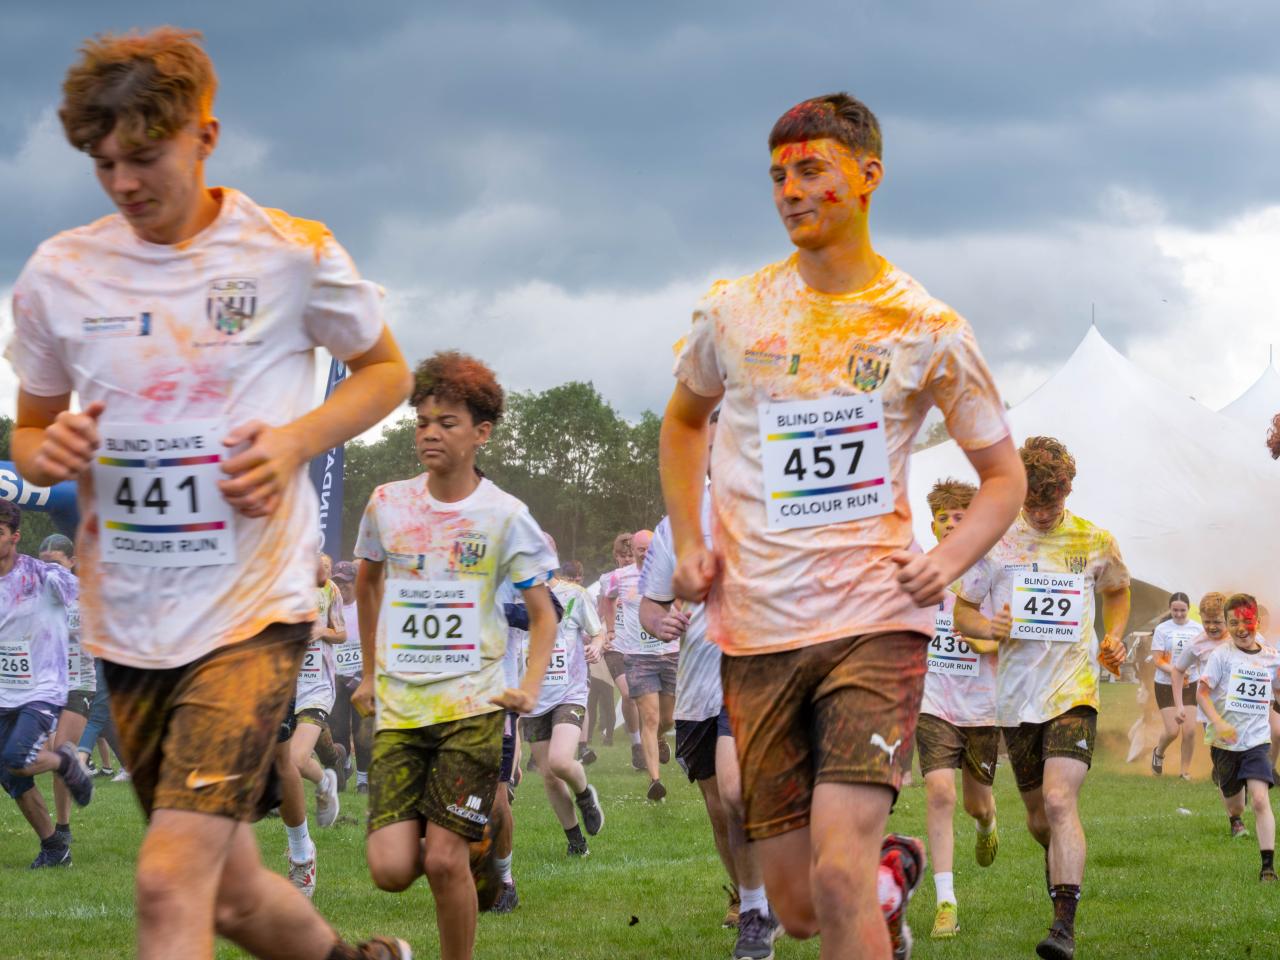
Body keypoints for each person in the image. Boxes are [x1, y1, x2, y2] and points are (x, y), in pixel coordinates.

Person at [7, 28, 412, 959]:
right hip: (128, 626)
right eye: (103, 164)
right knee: (225, 890)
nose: (124, 183)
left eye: (143, 157)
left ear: (204, 135)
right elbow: (31, 434)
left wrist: (297, 440)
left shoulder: (289, 254)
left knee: (163, 880)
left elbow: (384, 372)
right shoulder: (60, 276)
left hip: (251, 614)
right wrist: (46, 448)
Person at [659, 92, 1025, 960]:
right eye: (778, 175)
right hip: (757, 632)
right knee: (798, 905)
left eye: (812, 170)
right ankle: (891, 881)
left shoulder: (925, 325)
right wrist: (686, 540)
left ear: (868, 176)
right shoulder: (733, 311)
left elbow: (1002, 477)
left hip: (877, 621)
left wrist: (950, 555)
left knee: (833, 872)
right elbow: (682, 424)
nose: (790, 191)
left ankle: (867, 878)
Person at [352, 350, 559, 960]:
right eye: (422, 422)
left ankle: (468, 861)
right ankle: (479, 845)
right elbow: (366, 583)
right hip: (399, 709)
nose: (430, 433)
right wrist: (367, 673)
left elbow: (545, 614)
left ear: (481, 434)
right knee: (389, 869)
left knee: (443, 861)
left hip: (473, 705)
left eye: (446, 422)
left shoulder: (505, 516)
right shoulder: (387, 503)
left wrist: (529, 685)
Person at [955, 436, 1131, 960]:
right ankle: (1059, 868)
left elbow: (1117, 590)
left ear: (1068, 490)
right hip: (1015, 699)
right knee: (1039, 818)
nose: (1039, 513)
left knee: (1059, 800)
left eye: (1049, 503)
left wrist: (1114, 636)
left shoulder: (1095, 539)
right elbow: (964, 612)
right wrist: (992, 625)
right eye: (1031, 502)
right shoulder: (995, 541)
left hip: (1074, 689)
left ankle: (1063, 928)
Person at [915, 480, 1000, 940]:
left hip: (983, 706)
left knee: (974, 802)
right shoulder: (921, 570)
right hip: (933, 702)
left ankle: (988, 820)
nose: (951, 524)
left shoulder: (991, 571)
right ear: (933, 524)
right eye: (944, 517)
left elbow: (1007, 637)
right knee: (940, 793)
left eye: (960, 517)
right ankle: (946, 901)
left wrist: (982, 638)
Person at [0, 501, 94, 868]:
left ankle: (65, 762)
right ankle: (55, 848)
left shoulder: (43, 575)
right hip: (3, 690)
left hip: (43, 686)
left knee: (17, 758)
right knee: (11, 775)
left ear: (15, 537)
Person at [520, 557, 606, 856]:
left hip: (570, 691)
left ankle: (584, 794)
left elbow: (598, 631)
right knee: (548, 775)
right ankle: (576, 842)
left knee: (559, 761)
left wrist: (596, 645)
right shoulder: (511, 595)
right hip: (532, 697)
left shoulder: (574, 595)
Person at [1196, 593, 1280, 882]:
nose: (1241, 629)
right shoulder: (1222, 655)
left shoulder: (1271, 656)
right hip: (1225, 742)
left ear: (1257, 620)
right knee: (1237, 805)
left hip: (1257, 741)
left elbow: (1276, 690)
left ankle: (1267, 866)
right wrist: (1218, 723)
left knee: (1259, 800)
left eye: (1247, 621)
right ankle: (1234, 817)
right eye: (1234, 623)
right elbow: (1202, 693)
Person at [38, 533, 97, 849]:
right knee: (45, 754)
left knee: (61, 750)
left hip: (78, 682)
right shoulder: (31, 594)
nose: (49, 571)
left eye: (56, 564)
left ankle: (62, 827)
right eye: (44, 564)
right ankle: (78, 771)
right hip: (43, 685)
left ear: (72, 563)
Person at [609, 529, 678, 800]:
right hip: (638, 656)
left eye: (650, 548)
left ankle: (661, 738)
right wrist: (610, 629)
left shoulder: (669, 572)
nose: (645, 552)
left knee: (666, 719)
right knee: (649, 718)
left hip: (669, 653)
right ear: (634, 551)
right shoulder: (620, 577)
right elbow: (606, 598)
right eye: (640, 549)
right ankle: (655, 781)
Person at [1171, 592, 1244, 834]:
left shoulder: (1241, 638)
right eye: (1206, 622)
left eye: (1217, 622)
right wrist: (1180, 705)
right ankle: (1236, 821)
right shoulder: (1197, 643)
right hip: (1212, 716)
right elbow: (1178, 670)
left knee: (1244, 763)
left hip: (1245, 713)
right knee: (1228, 769)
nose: (1212, 627)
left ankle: (1229, 781)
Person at [287, 553, 345, 828]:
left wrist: (322, 632)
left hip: (317, 683)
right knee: (283, 763)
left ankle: (325, 783)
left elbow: (342, 633)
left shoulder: (329, 589)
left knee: (296, 758)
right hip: (286, 684)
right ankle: (323, 783)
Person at [598, 533, 643, 765]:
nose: (627, 559)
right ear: (615, 556)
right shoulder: (609, 579)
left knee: (642, 697)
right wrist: (595, 634)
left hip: (640, 645)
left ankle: (646, 740)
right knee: (628, 694)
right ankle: (637, 745)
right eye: (622, 556)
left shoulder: (643, 577)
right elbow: (598, 610)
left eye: (630, 555)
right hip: (615, 645)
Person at [330, 561, 372, 794]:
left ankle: (363, 780)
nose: (341, 586)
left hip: (360, 675)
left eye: (345, 582)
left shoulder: (365, 606)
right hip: (336, 676)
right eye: (337, 582)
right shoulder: (329, 607)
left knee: (362, 730)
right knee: (336, 728)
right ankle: (344, 766)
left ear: (355, 583)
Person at [1150, 592, 1201, 779]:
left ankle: (1184, 772)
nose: (1179, 614)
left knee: (1189, 731)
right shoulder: (1163, 629)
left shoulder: (1198, 629)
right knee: (1173, 731)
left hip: (1191, 683)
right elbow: (1157, 659)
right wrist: (1175, 670)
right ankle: (1158, 752)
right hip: (1165, 684)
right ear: (1170, 609)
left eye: (1182, 610)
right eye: (1175, 610)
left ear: (1188, 609)